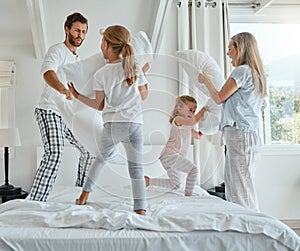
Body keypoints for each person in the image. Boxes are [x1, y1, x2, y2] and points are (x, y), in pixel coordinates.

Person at [68, 25, 148, 215]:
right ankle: (140, 209)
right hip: (135, 124)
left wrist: (77, 95)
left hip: (113, 125)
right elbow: (144, 95)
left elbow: (100, 105)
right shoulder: (134, 67)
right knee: (136, 169)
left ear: (105, 45)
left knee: (99, 161)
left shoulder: (102, 73)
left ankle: (83, 197)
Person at [29, 12, 95, 201]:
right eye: (76, 30)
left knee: (88, 150)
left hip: (66, 115)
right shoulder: (57, 50)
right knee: (55, 153)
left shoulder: (76, 59)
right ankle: (35, 202)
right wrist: (61, 88)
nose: (80, 35)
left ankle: (79, 193)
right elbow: (47, 72)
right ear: (67, 29)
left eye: (83, 32)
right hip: (49, 110)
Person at [198, 32, 267, 211]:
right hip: (243, 134)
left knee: (239, 189)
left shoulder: (242, 71)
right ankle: (249, 227)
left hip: (240, 135)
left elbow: (219, 97)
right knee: (241, 187)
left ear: (240, 48)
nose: (228, 53)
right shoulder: (254, 72)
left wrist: (207, 81)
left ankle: (248, 229)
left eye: (230, 49)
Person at [145, 95, 207, 196]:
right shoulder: (178, 119)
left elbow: (199, 136)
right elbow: (192, 121)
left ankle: (149, 181)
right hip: (170, 155)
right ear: (179, 108)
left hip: (170, 157)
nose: (192, 113)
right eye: (190, 110)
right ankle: (188, 195)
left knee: (176, 184)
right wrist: (203, 110)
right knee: (194, 170)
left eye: (194, 111)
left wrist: (206, 125)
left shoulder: (187, 127)